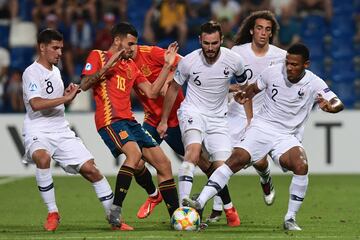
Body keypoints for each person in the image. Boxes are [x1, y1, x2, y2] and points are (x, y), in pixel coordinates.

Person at [182, 43, 344, 231]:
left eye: (294, 64)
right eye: (287, 63)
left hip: (287, 135)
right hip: (262, 127)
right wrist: (243, 95)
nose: (289, 68)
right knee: (235, 160)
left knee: (301, 165)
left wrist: (330, 108)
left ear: (305, 64)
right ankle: (200, 202)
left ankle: (290, 218)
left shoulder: (315, 82)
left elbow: (336, 102)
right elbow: (253, 88)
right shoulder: (273, 72)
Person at [21, 28, 132, 232]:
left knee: (92, 170)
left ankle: (114, 220)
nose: (60, 52)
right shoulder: (31, 72)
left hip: (60, 129)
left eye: (61, 48)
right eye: (55, 48)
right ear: (42, 47)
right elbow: (36, 104)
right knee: (43, 158)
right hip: (38, 129)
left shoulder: (55, 71)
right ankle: (53, 212)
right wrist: (65, 98)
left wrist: (66, 94)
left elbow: (53, 100)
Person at [80, 22, 179, 229]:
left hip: (130, 121)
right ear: (117, 40)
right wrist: (108, 66)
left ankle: (176, 218)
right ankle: (115, 211)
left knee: (164, 164)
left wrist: (168, 66)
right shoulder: (97, 56)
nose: (133, 48)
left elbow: (152, 92)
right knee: (134, 156)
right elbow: (84, 85)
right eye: (130, 44)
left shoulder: (130, 66)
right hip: (110, 120)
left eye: (135, 44)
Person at [131, 42, 238, 224]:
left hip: (177, 118)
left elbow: (183, 64)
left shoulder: (151, 53)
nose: (128, 50)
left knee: (202, 163)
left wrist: (167, 80)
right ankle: (154, 195)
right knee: (135, 161)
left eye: (131, 45)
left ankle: (228, 207)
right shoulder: (125, 64)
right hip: (152, 120)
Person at [157, 21, 247, 226]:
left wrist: (244, 103)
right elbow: (172, 89)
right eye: (206, 43)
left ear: (221, 41)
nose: (210, 48)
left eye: (214, 43)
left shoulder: (235, 60)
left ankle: (201, 203)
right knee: (194, 151)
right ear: (200, 41)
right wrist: (163, 120)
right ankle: (183, 211)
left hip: (219, 118)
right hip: (193, 111)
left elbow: (245, 86)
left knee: (222, 168)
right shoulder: (189, 62)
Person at [207, 10, 287, 222]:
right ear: (252, 30)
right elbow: (224, 80)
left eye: (267, 30)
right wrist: (234, 90)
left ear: (271, 33)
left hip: (263, 116)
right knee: (222, 160)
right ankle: (217, 209)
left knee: (260, 161)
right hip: (236, 113)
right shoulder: (237, 52)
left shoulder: (280, 56)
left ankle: (265, 177)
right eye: (259, 28)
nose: (263, 33)